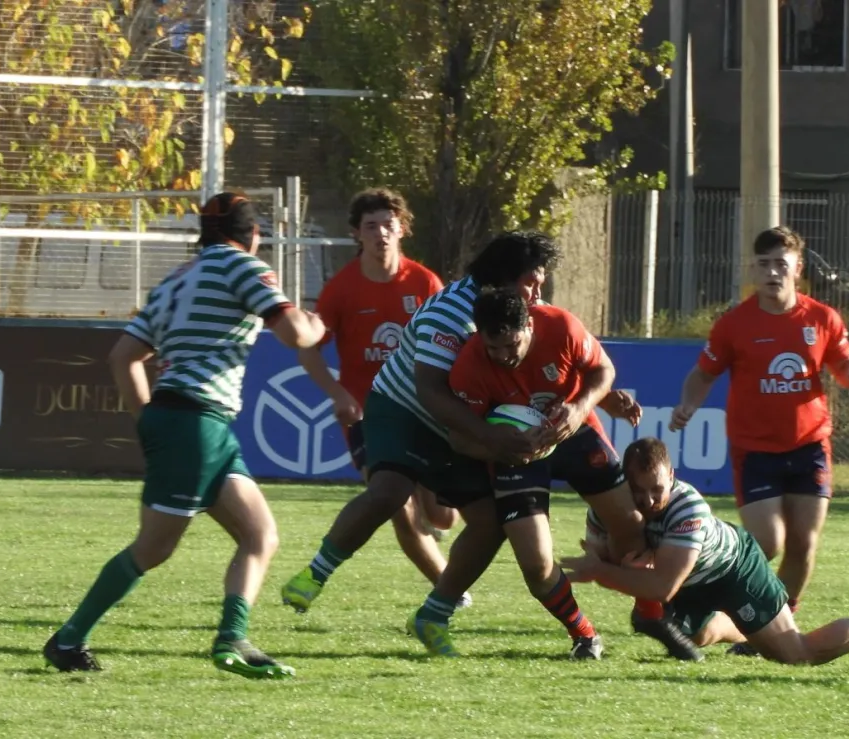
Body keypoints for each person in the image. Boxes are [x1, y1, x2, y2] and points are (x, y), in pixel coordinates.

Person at [43, 192, 326, 678]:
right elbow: (295, 334)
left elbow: (122, 357)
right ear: (252, 235)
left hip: (195, 422)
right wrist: (319, 324)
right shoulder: (242, 266)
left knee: (261, 534)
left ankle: (232, 638)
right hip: (197, 418)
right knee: (153, 548)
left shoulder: (178, 277)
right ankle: (68, 640)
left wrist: (148, 420)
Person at [280, 231, 602, 631]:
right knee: (391, 492)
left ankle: (434, 615)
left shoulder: (518, 310)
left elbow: (561, 355)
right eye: (531, 280)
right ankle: (314, 574)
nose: (539, 289)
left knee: (489, 523)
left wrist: (604, 397)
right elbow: (430, 391)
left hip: (457, 425)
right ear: (502, 278)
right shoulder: (452, 312)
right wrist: (490, 437)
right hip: (403, 411)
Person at [412, 287, 655, 659]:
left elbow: (602, 370)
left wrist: (578, 408)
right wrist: (501, 446)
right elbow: (460, 441)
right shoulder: (470, 365)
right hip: (513, 455)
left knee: (633, 526)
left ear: (529, 325)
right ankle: (585, 634)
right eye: (493, 348)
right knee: (536, 563)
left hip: (574, 432)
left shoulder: (561, 326)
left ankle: (652, 615)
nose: (502, 357)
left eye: (511, 346)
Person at [669, 226, 849, 647]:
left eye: (781, 264)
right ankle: (695, 590)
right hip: (755, 450)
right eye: (764, 264)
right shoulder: (735, 324)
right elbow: (703, 373)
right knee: (768, 541)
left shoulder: (822, 319)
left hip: (810, 447)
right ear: (754, 269)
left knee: (803, 543)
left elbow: (843, 371)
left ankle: (780, 624)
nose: (772, 272)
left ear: (798, 268)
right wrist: (689, 403)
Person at [564, 437, 849, 666]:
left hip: (733, 569)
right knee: (692, 634)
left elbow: (661, 586)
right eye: (637, 490)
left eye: (656, 489)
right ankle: (751, 634)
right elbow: (609, 558)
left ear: (672, 479)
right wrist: (606, 563)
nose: (647, 500)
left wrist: (600, 571)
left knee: (795, 653)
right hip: (693, 581)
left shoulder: (688, 507)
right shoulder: (607, 507)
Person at [287, 187, 471, 612]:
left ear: (402, 229)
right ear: (357, 234)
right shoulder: (341, 289)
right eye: (371, 226)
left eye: (388, 225)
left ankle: (435, 529)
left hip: (425, 411)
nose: (381, 234)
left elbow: (452, 343)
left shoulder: (425, 283)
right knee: (396, 504)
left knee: (443, 516)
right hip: (368, 415)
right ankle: (450, 592)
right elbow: (308, 347)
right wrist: (337, 394)